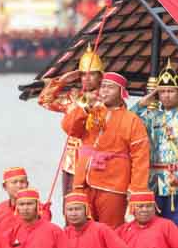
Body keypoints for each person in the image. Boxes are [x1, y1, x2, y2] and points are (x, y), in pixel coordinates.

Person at [61, 71, 150, 227]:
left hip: (113, 184)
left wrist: (136, 189)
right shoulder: (91, 112)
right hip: (82, 182)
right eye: (102, 87)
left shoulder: (132, 120)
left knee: (111, 231)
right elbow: (69, 128)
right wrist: (85, 109)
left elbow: (140, 157)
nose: (104, 91)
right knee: (79, 229)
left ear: (121, 92)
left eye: (110, 88)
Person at [132, 60, 178, 246]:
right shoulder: (150, 118)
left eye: (170, 91)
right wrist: (142, 104)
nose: (166, 95)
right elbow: (125, 123)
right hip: (154, 182)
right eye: (162, 91)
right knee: (152, 230)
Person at [37, 44, 105, 198]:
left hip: (97, 162)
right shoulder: (73, 98)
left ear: (101, 76)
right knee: (71, 208)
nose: (86, 78)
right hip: (72, 162)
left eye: (91, 74)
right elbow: (44, 100)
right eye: (82, 75)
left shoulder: (107, 99)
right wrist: (62, 81)